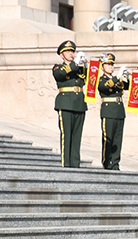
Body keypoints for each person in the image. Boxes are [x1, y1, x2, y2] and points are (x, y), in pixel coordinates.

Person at [52, 40, 88, 168]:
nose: (71, 54)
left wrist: (88, 66)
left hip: (79, 103)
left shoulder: (79, 68)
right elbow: (60, 74)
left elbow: (89, 80)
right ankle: (66, 165)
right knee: (66, 135)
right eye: (67, 51)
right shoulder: (58, 67)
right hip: (65, 103)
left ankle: (75, 164)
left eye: (72, 51)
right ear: (62, 55)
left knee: (77, 136)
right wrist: (74, 64)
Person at [98, 53, 129, 170]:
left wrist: (129, 78)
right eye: (108, 64)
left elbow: (129, 87)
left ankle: (115, 163)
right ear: (102, 66)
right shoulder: (102, 79)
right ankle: (107, 162)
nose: (111, 67)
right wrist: (118, 77)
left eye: (112, 64)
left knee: (117, 139)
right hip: (108, 111)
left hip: (119, 111)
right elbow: (105, 87)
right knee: (108, 138)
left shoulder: (117, 80)